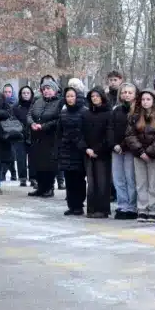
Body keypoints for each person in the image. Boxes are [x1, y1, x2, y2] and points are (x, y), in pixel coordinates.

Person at [125, 88, 155, 222]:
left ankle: (153, 210)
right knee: (141, 183)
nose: (145, 102)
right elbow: (129, 135)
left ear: (154, 100)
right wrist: (140, 151)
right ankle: (142, 209)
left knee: (154, 184)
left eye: (148, 99)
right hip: (139, 155)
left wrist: (150, 152)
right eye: (143, 99)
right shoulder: (134, 115)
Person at [27, 78, 63, 197]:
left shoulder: (59, 102)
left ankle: (49, 187)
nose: (46, 91)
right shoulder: (38, 101)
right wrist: (32, 123)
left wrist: (43, 126)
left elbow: (58, 119)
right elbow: (29, 114)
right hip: (37, 137)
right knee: (38, 163)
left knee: (49, 165)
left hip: (50, 137)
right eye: (44, 89)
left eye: (49, 88)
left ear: (55, 90)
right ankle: (41, 187)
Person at [57, 85, 89, 214]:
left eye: (72, 96)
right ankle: (71, 205)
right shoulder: (63, 112)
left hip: (79, 150)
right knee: (69, 179)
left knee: (79, 179)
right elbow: (59, 132)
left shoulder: (84, 111)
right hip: (66, 149)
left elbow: (87, 131)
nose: (70, 99)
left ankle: (79, 205)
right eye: (68, 96)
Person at [82, 87, 113, 219]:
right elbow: (80, 133)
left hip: (102, 153)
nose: (95, 98)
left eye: (97, 96)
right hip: (88, 152)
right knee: (91, 182)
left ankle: (102, 209)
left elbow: (109, 135)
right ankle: (91, 208)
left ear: (102, 97)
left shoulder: (108, 113)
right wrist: (86, 148)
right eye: (92, 96)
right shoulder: (86, 114)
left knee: (102, 181)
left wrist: (98, 150)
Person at [109, 83, 138, 218]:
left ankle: (132, 206)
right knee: (118, 178)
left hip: (130, 150)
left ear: (135, 94)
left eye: (130, 92)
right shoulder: (116, 110)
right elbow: (110, 129)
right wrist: (114, 144)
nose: (126, 95)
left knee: (130, 178)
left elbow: (135, 131)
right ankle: (122, 205)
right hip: (116, 150)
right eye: (124, 92)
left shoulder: (138, 111)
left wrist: (124, 145)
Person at [11, 85, 34, 187]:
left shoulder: (34, 106)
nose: (25, 95)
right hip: (19, 135)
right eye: (24, 93)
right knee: (21, 158)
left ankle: (33, 178)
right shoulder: (16, 107)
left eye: (28, 93)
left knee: (33, 158)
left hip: (32, 134)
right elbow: (12, 119)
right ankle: (23, 178)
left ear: (31, 94)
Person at [1, 83, 18, 181]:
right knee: (6, 152)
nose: (7, 94)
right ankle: (12, 172)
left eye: (9, 92)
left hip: (14, 130)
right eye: (5, 92)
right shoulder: (0, 102)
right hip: (3, 129)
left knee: (11, 153)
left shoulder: (16, 103)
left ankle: (8, 173)